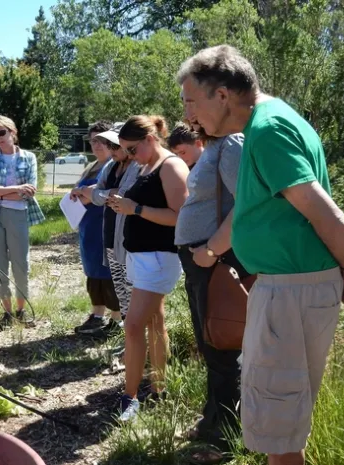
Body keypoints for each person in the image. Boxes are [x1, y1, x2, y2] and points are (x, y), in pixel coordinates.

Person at [178, 44, 344, 465]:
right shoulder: (272, 120)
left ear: (222, 95)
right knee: (281, 423)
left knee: (278, 433)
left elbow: (333, 219)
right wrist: (213, 250)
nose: (189, 116)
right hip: (289, 288)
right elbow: (257, 211)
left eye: (191, 102)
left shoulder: (266, 132)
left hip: (288, 293)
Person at [171, 121, 248, 464]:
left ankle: (226, 439)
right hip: (201, 261)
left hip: (214, 261)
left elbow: (246, 204)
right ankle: (212, 420)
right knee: (209, 344)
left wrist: (213, 250)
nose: (189, 110)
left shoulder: (231, 143)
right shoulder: (217, 145)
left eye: (193, 101)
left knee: (221, 346)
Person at [107, 115, 189, 421]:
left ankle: (130, 398)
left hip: (159, 259)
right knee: (155, 322)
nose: (129, 156)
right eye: (125, 151)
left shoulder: (171, 166)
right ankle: (158, 388)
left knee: (132, 326)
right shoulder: (148, 165)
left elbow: (181, 216)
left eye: (131, 149)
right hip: (143, 257)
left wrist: (136, 209)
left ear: (150, 138)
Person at [71, 123, 139, 338]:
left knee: (121, 282)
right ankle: (114, 324)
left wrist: (96, 194)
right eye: (97, 141)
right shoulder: (109, 167)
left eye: (111, 144)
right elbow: (99, 194)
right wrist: (95, 194)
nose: (106, 147)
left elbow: (121, 193)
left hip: (120, 231)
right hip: (101, 230)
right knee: (109, 278)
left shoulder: (134, 166)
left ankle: (121, 324)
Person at [0, 115, 45, 326]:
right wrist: (16, 189)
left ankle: (21, 310)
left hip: (18, 215)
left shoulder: (29, 158)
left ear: (13, 132)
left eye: (2, 132)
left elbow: (29, 191)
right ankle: (6, 313)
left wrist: (2, 192)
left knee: (21, 264)